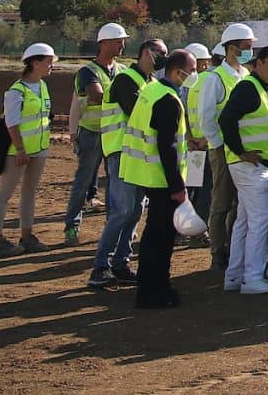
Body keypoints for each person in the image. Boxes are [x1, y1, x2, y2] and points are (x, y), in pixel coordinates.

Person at [120, 49, 195, 308]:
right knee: (161, 237)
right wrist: (177, 186)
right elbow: (168, 146)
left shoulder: (151, 91)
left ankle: (150, 285)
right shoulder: (168, 99)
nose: (193, 76)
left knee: (154, 234)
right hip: (160, 179)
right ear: (178, 72)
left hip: (145, 173)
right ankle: (156, 289)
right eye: (191, 71)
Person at [89, 35, 164, 288]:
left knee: (135, 210)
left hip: (139, 154)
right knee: (122, 210)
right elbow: (140, 113)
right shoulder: (125, 80)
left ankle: (121, 262)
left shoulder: (151, 83)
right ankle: (100, 266)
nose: (160, 57)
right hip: (121, 151)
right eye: (157, 52)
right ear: (144, 52)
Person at [219, 42, 268, 295]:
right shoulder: (249, 88)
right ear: (258, 63)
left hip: (252, 166)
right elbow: (226, 118)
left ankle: (235, 276)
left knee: (245, 221)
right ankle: (252, 277)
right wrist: (240, 151)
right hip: (249, 166)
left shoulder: (258, 88)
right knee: (260, 219)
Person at [196, 23, 254, 274]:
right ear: (231, 49)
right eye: (246, 47)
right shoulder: (215, 78)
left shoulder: (244, 76)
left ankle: (232, 247)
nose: (250, 52)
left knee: (237, 203)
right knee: (221, 201)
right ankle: (218, 252)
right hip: (223, 149)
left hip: (240, 149)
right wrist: (218, 146)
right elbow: (206, 117)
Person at [62, 21, 125, 245]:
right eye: (118, 41)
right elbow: (96, 96)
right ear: (104, 43)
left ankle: (113, 227)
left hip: (115, 134)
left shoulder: (122, 70)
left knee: (114, 183)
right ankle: (71, 227)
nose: (122, 44)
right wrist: (124, 96)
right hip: (92, 134)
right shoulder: (87, 73)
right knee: (84, 181)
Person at [0, 43, 56, 255]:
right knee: (4, 194)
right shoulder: (16, 91)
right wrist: (20, 149)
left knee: (29, 192)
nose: (51, 66)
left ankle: (27, 236)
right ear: (35, 63)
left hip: (38, 148)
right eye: (48, 62)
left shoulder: (43, 86)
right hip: (17, 151)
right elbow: (12, 123)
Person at [179, 43, 214, 235]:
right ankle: (199, 231)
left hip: (193, 146)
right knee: (205, 190)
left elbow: (185, 114)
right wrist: (204, 141)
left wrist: (191, 138)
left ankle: (181, 230)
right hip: (205, 146)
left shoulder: (187, 85)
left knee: (192, 187)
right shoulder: (209, 81)